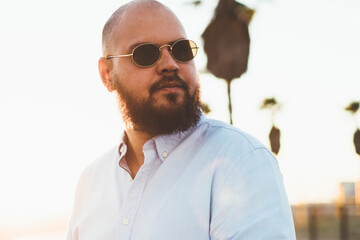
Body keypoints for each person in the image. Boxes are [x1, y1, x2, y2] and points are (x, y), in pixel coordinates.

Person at [66, 0, 296, 239]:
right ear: (107, 75)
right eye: (145, 53)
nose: (170, 64)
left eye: (181, 50)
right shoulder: (90, 183)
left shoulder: (241, 160)